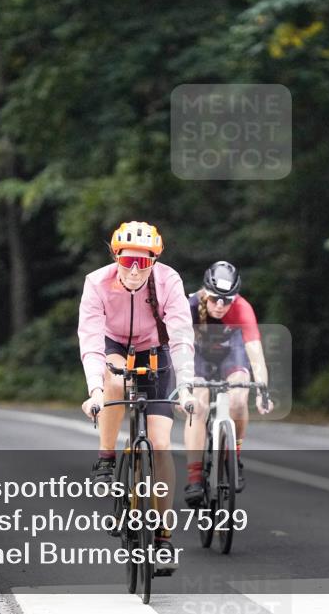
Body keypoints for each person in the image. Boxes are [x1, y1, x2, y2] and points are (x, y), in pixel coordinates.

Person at [78, 221, 197, 569]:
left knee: (160, 444)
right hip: (113, 346)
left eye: (142, 263)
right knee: (115, 382)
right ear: (116, 257)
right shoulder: (96, 283)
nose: (134, 270)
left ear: (153, 261)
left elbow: (181, 337)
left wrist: (186, 386)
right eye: (127, 261)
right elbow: (91, 341)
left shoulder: (168, 280)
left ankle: (163, 536)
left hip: (155, 350)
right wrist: (95, 392)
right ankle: (106, 458)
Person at [183, 261, 273, 506]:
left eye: (227, 300)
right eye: (215, 299)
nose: (220, 305)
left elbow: (255, 353)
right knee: (198, 405)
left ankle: (234, 458)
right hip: (198, 356)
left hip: (231, 353)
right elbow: (177, 350)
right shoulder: (189, 306)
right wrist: (183, 389)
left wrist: (262, 391)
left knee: (238, 398)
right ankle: (194, 477)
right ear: (205, 292)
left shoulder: (243, 308)